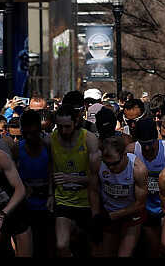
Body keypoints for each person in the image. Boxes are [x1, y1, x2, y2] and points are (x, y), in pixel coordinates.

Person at [50, 103, 102, 257]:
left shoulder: (89, 139)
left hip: (87, 202)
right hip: (64, 201)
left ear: (76, 122)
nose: (63, 131)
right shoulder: (51, 139)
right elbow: (49, 165)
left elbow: (97, 179)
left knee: (93, 249)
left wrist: (71, 178)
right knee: (61, 245)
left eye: (67, 126)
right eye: (60, 127)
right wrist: (49, 194)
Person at [91, 135, 149, 257]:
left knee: (124, 254)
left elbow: (140, 204)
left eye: (115, 163)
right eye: (107, 164)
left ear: (124, 154)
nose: (111, 168)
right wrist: (95, 217)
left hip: (131, 212)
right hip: (108, 210)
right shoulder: (96, 161)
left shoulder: (138, 169)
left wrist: (111, 216)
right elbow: (92, 190)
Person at [128, 116, 165, 257]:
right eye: (143, 144)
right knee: (154, 251)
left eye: (150, 143)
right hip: (146, 208)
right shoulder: (132, 150)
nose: (147, 147)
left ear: (157, 138)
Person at [15, 109, 54, 257]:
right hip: (27, 205)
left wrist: (50, 194)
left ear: (39, 130)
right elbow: (10, 174)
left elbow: (53, 170)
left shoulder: (48, 147)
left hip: (46, 204)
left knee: (48, 246)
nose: (30, 137)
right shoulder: (17, 149)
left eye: (33, 133)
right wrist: (20, 186)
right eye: (26, 134)